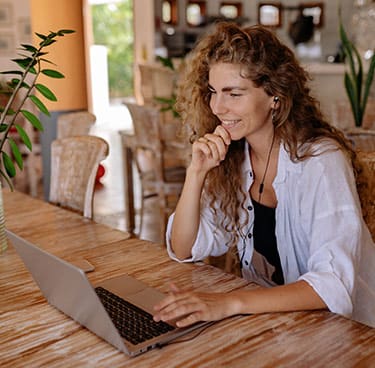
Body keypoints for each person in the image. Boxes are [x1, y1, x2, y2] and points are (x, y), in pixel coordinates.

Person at [153, 22, 375, 328]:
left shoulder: (320, 161)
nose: (218, 106)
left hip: (348, 333)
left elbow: (332, 284)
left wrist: (230, 303)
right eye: (214, 92)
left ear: (275, 96)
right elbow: (184, 249)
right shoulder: (235, 157)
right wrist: (196, 174)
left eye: (234, 93)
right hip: (276, 324)